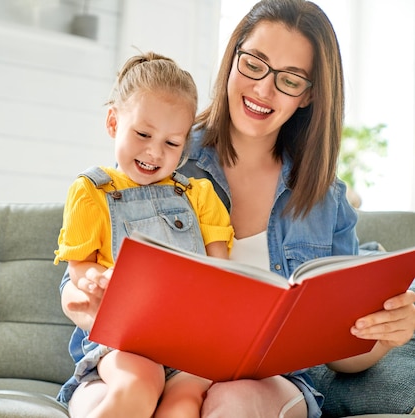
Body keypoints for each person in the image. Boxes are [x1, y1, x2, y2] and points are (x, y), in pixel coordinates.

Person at [60, 1, 415, 417]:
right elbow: (84, 267)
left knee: (233, 403)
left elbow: (340, 353)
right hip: (133, 362)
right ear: (233, 59)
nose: (264, 89)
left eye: (290, 79)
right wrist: (83, 298)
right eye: (254, 64)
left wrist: (384, 335)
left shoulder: (324, 198)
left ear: (309, 95)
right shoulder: (165, 149)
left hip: (261, 383)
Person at [54, 51, 234, 418]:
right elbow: (80, 267)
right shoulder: (91, 191)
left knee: (184, 404)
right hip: (124, 341)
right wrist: (97, 281)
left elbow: (221, 274)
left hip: (190, 345)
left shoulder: (198, 194)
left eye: (172, 143)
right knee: (138, 384)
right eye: (143, 134)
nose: (154, 151)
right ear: (112, 122)